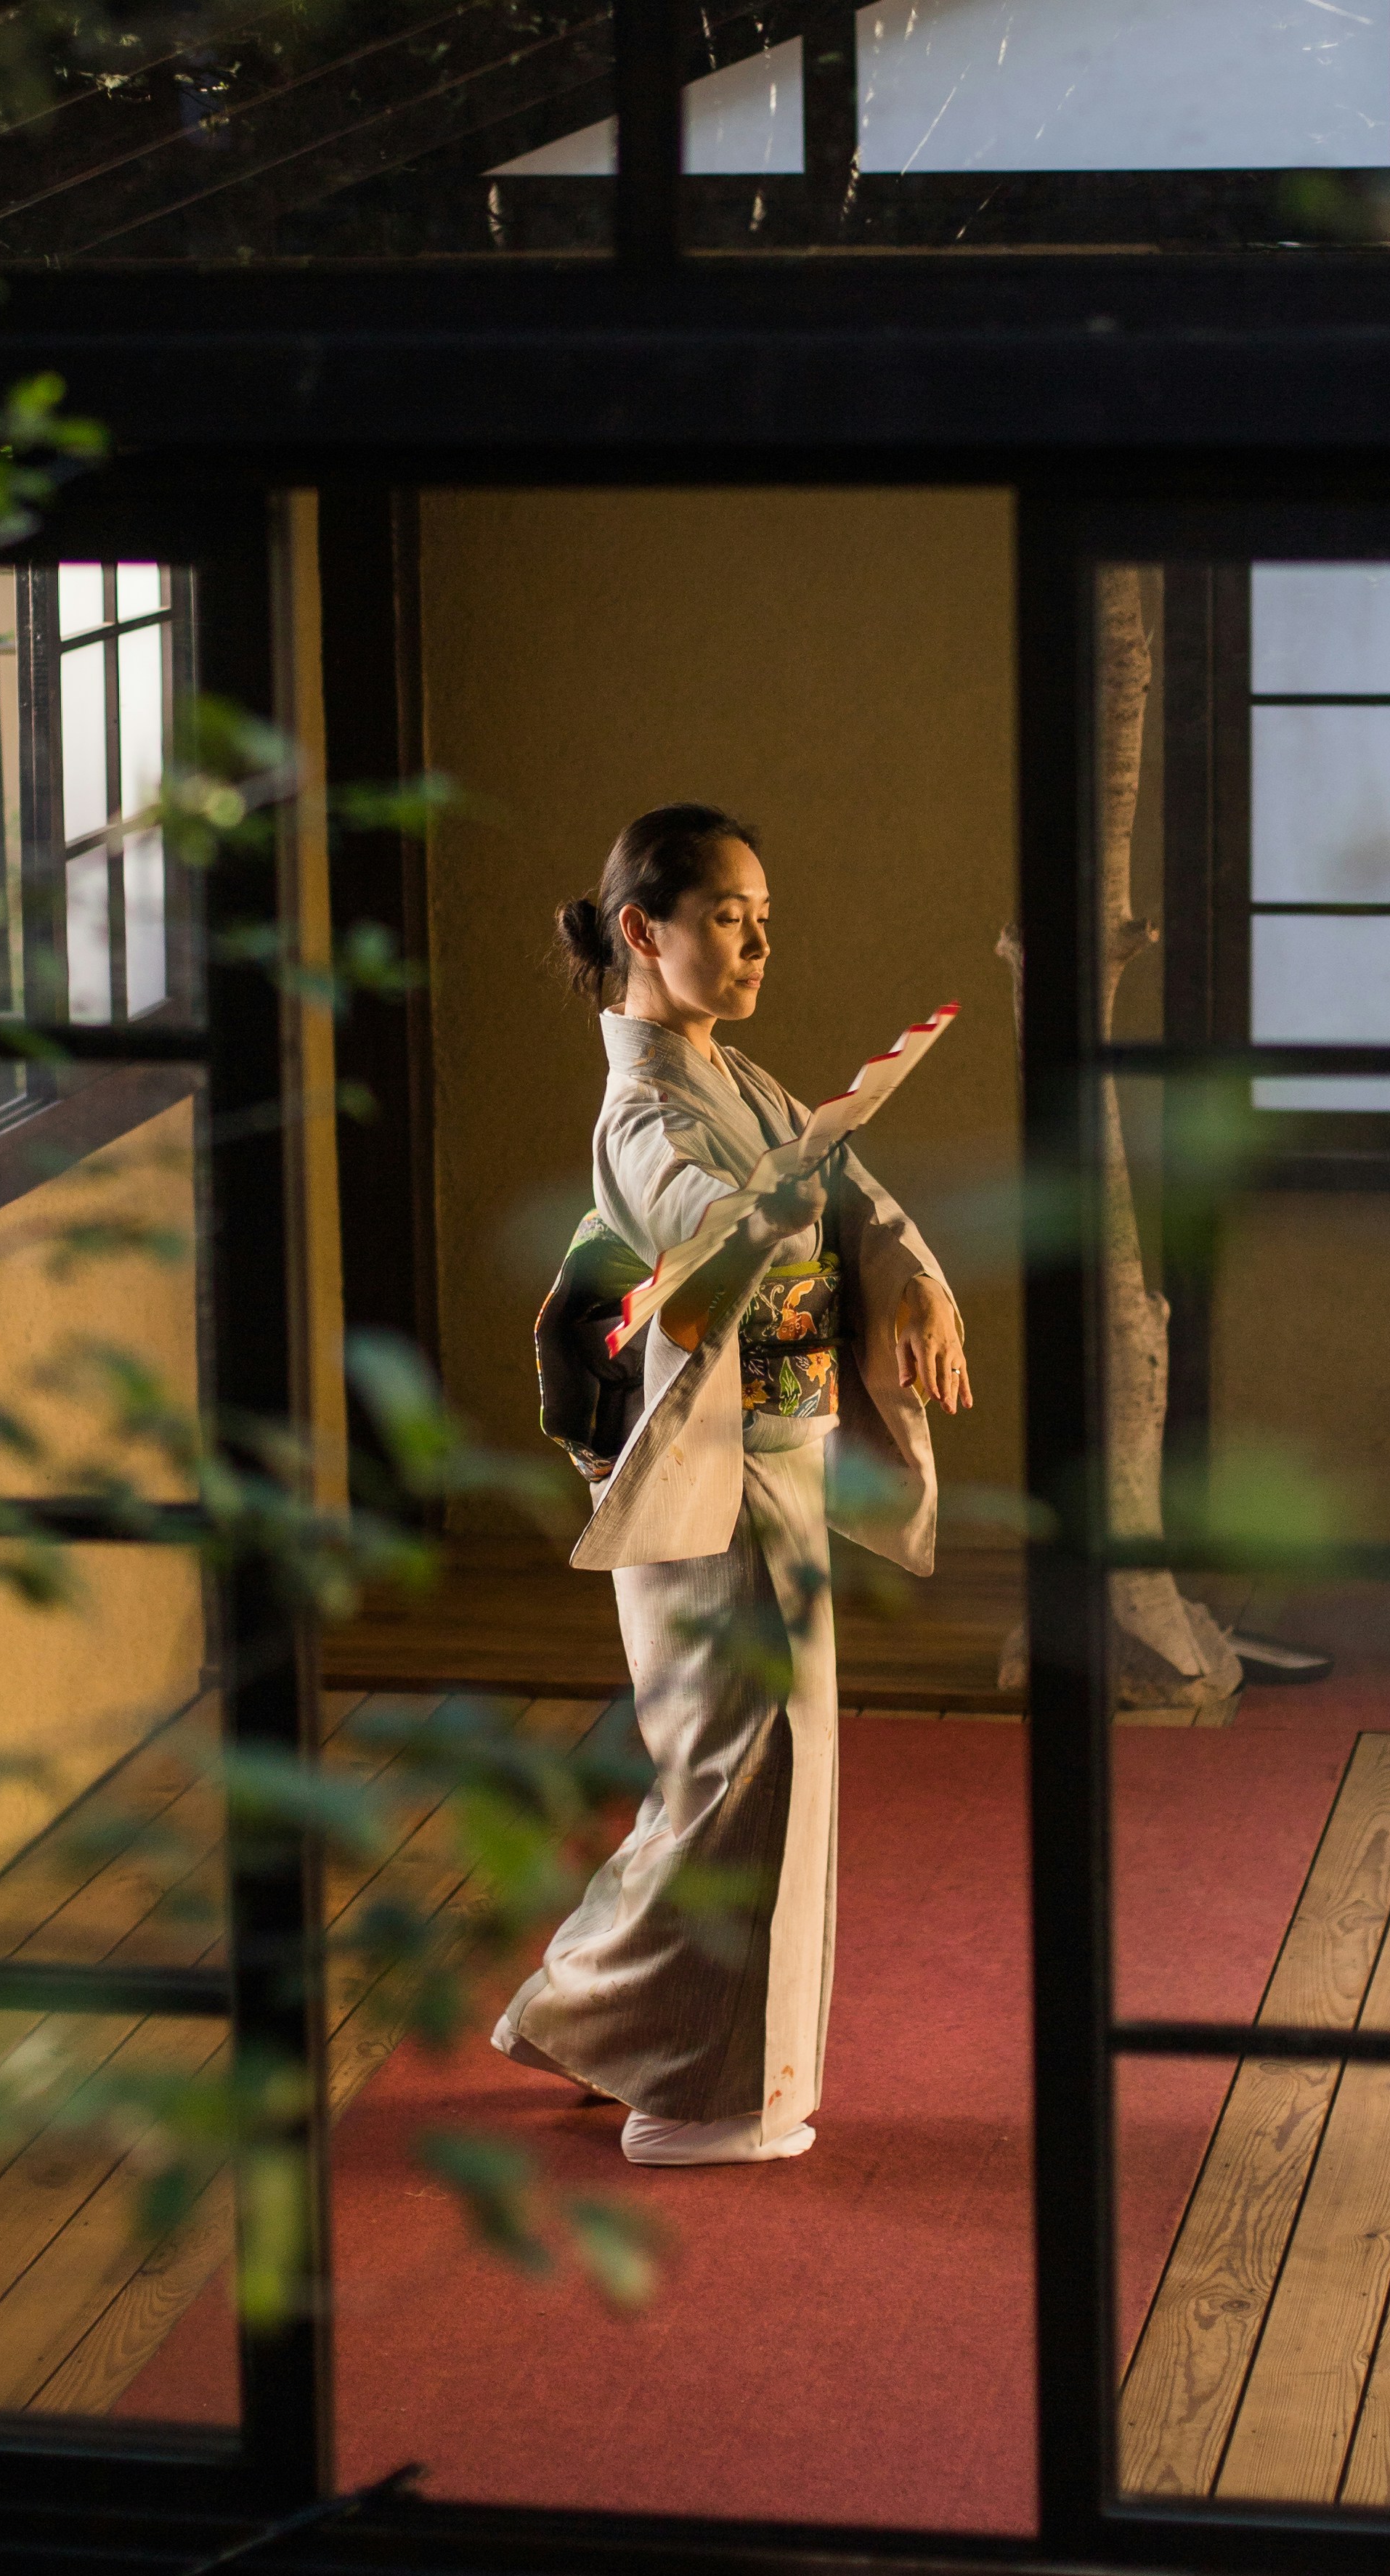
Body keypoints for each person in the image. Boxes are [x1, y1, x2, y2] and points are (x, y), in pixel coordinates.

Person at [497, 804, 970, 2167]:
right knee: (739, 1773)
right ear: (642, 931)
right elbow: (705, 1223)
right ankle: (693, 2097)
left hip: (777, 1456)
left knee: (731, 1768)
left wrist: (912, 1278)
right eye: (725, 917)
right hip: (713, 1477)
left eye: (764, 919)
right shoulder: (644, 1106)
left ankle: (586, 2013)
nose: (757, 944)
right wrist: (760, 1214)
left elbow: (844, 1186)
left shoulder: (732, 1074)